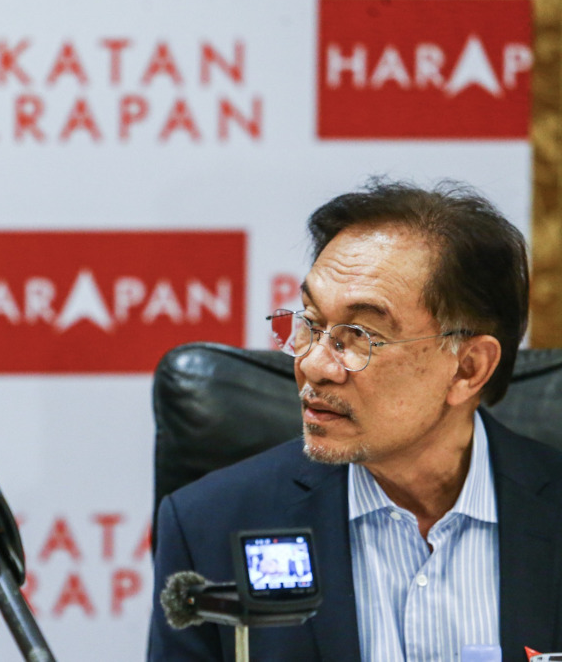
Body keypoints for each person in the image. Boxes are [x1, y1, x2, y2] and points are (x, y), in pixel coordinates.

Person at [148, 180, 562, 661]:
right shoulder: (208, 523)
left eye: (360, 336)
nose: (314, 365)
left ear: (468, 368)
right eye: (310, 323)